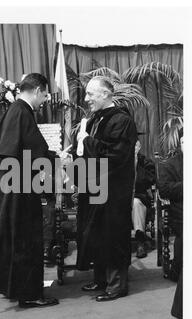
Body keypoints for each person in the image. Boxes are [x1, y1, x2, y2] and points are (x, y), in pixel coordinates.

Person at [0, 73, 59, 308]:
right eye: (46, 95)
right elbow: (35, 152)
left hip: (13, 183)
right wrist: (58, 157)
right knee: (27, 238)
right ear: (38, 90)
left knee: (15, 237)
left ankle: (17, 289)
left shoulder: (16, 110)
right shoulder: (22, 111)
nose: (45, 100)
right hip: (19, 185)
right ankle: (29, 294)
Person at [74, 76, 138, 302]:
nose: (86, 98)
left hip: (113, 191)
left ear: (105, 94)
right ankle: (101, 279)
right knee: (96, 235)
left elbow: (116, 155)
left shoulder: (121, 120)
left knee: (112, 236)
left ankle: (116, 285)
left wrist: (88, 140)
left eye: (91, 94)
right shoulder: (94, 119)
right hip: (95, 188)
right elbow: (86, 151)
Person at [158, 127, 183, 319]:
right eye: (184, 142)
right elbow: (165, 190)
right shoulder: (170, 165)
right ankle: (178, 268)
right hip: (180, 211)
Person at [132, 140, 156, 259]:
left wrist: (136, 165)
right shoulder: (120, 161)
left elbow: (149, 180)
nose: (133, 148)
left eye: (135, 145)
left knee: (136, 204)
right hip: (122, 198)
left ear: (139, 147)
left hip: (139, 197)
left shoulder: (146, 162)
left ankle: (140, 242)